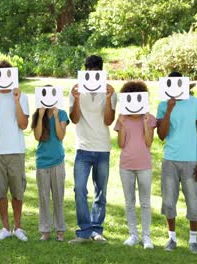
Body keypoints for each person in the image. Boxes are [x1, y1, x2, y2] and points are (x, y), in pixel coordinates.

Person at [68, 55, 117, 244]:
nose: (93, 75)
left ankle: (97, 230)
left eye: (96, 72)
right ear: (85, 71)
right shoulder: (76, 90)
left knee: (100, 191)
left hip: (102, 147)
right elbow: (74, 119)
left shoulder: (111, 92)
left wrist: (107, 97)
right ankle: (85, 230)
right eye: (90, 71)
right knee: (80, 189)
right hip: (83, 147)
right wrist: (78, 98)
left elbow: (108, 121)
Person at [157, 72, 197, 254]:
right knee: (169, 201)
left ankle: (193, 241)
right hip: (170, 159)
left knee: (193, 202)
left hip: (191, 160)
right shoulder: (163, 105)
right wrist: (169, 110)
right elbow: (161, 135)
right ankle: (172, 238)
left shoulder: (196, 104)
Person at [0, 60, 30, 241]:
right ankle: (5, 227)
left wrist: (17, 101)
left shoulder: (22, 96)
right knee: (0, 192)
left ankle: (18, 227)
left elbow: (23, 124)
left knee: (17, 192)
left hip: (16, 150)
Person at [114, 81, 156, 249]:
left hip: (144, 165)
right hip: (126, 165)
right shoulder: (122, 119)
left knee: (145, 202)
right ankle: (133, 235)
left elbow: (148, 142)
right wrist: (122, 125)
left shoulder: (149, 118)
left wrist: (145, 124)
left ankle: (146, 237)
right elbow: (121, 144)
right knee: (129, 202)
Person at [31, 95, 68, 241]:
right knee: (44, 198)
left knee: (58, 197)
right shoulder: (38, 114)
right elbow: (37, 136)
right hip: (42, 163)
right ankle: (45, 230)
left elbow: (60, 136)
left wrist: (56, 115)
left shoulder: (62, 113)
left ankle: (60, 230)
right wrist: (40, 116)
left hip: (57, 161)